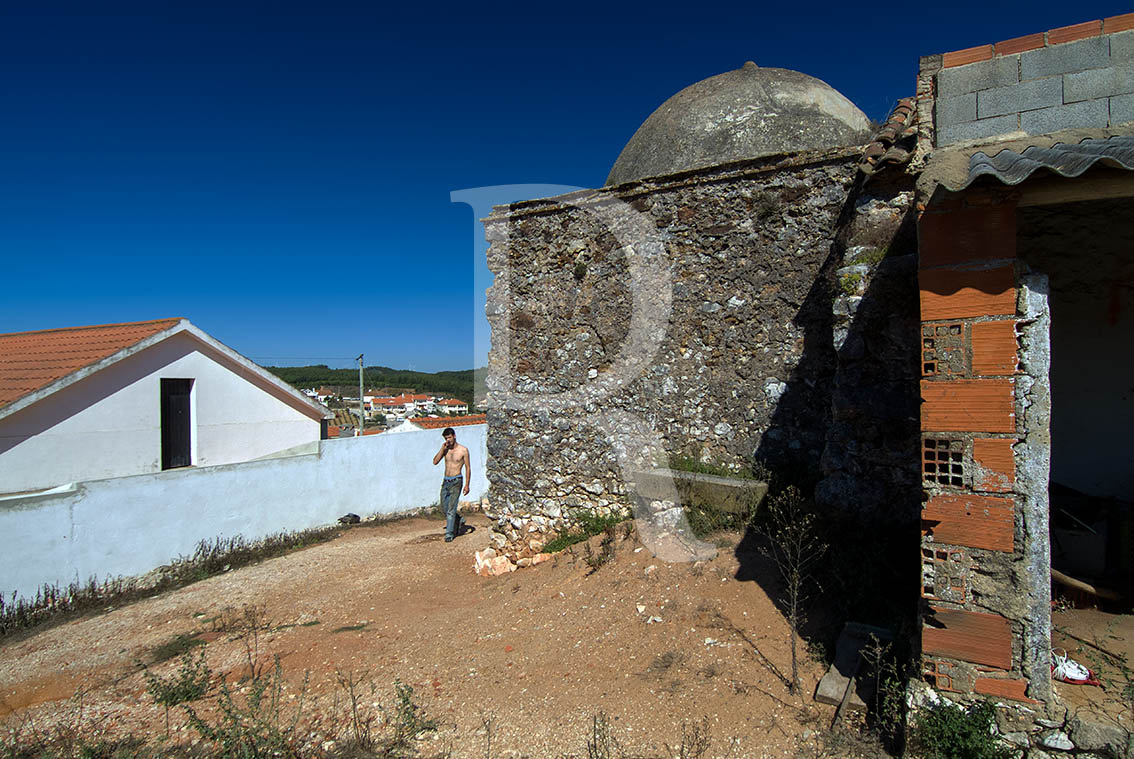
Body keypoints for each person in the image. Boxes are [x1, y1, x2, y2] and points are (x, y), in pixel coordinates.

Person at [432, 427, 470, 542]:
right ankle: (458, 519)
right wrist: (442, 449)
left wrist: (467, 485)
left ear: (454, 436)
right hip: (446, 480)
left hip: (456, 481)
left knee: (451, 509)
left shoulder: (463, 450)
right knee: (444, 507)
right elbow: (435, 462)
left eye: (449, 437)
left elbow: (468, 468)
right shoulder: (446, 450)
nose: (447, 440)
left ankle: (449, 533)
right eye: (445, 438)